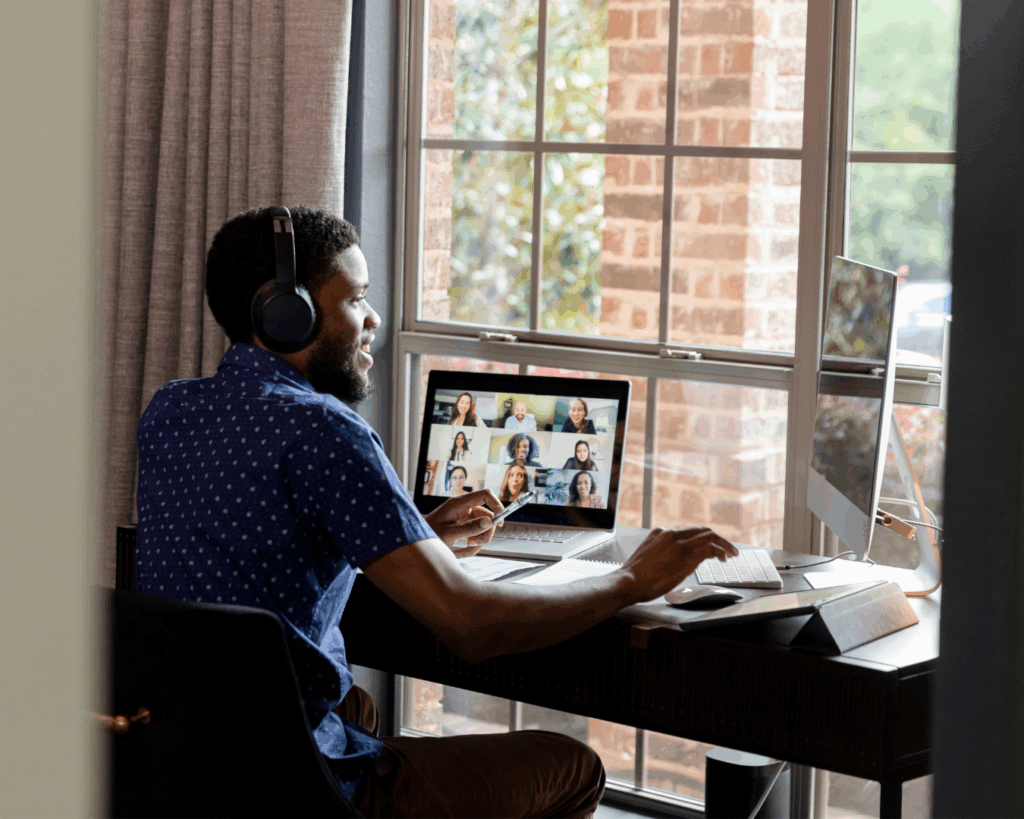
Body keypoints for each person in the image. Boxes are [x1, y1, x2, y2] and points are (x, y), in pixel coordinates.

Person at [135, 205, 738, 819]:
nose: (373, 319)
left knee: (358, 708)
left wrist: (414, 537)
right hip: (294, 783)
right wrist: (631, 579)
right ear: (288, 316)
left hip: (189, 757)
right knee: (574, 767)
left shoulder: (169, 411)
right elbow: (472, 626)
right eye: (356, 300)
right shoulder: (322, 428)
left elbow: (263, 541)